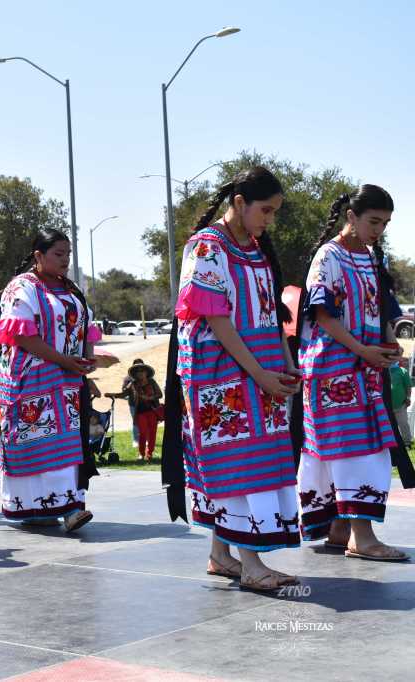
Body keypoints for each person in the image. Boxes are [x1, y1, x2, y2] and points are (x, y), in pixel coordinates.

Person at [162, 166, 302, 592]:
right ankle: (252, 565)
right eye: (265, 210)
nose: (269, 220)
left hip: (260, 373)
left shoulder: (254, 249)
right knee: (240, 466)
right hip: (220, 375)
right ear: (239, 203)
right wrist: (259, 373)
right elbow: (217, 319)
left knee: (250, 461)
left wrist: (285, 362)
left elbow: (271, 315)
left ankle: (221, 555)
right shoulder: (207, 246)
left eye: (274, 212)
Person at [297, 186, 409, 561]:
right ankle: (362, 538)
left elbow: (382, 308)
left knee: (351, 448)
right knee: (357, 451)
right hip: (333, 372)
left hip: (365, 370)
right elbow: (323, 315)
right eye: (373, 221)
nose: (379, 230)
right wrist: (363, 350)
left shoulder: (372, 257)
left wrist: (390, 343)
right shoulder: (329, 256)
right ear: (351, 216)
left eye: (385, 223)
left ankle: (339, 529)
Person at [0, 228, 107, 533]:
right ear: (38, 255)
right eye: (58, 254)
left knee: (65, 444)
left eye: (68, 254)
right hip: (30, 381)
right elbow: (22, 336)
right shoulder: (21, 287)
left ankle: (69, 507)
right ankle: (41, 508)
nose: (65, 260)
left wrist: (87, 358)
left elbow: (87, 327)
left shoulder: (70, 289)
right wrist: (64, 360)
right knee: (37, 443)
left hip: (66, 382)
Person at [107, 360, 162, 461]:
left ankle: (149, 453)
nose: (140, 373)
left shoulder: (152, 382)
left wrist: (149, 398)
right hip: (140, 413)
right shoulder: (132, 384)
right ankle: (141, 454)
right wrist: (113, 395)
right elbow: (123, 394)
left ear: (146, 372)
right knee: (142, 433)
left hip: (152, 411)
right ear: (135, 374)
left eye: (142, 371)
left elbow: (160, 394)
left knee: (152, 433)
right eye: (137, 371)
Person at [389, 356, 412, 448]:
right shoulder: (383, 371)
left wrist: (408, 398)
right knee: (389, 426)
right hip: (387, 405)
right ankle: (391, 443)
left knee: (403, 423)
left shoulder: (403, 371)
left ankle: (407, 442)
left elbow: (408, 386)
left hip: (401, 404)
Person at [121, 359, 143, 445]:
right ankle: (136, 440)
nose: (138, 368)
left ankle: (145, 439)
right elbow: (124, 391)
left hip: (146, 403)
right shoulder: (128, 378)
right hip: (133, 404)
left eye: (140, 366)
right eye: (136, 366)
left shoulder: (147, 376)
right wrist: (132, 382)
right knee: (136, 422)